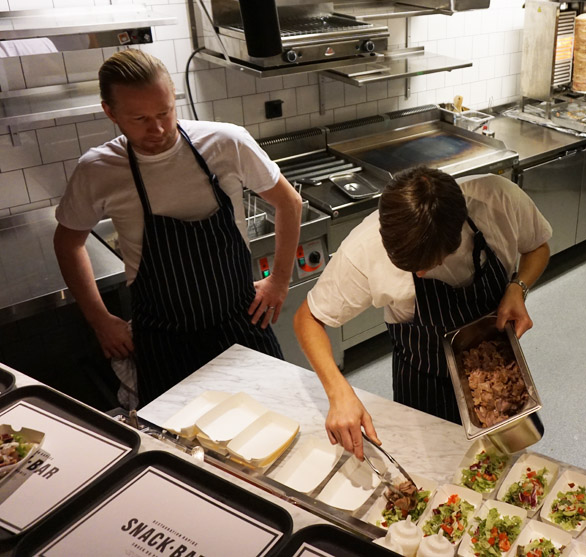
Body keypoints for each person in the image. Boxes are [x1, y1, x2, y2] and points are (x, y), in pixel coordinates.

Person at [54, 49, 302, 406]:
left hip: (240, 322)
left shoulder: (225, 142)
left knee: (277, 415)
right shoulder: (98, 170)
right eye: (139, 118)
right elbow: (68, 243)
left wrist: (279, 279)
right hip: (162, 338)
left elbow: (289, 202)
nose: (156, 129)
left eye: (165, 112)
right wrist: (100, 320)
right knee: (176, 436)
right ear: (110, 112)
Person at [294, 167, 551, 459]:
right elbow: (307, 318)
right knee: (430, 470)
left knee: (506, 466)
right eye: (410, 268)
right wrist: (338, 392)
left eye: (431, 264)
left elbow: (538, 246)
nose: (420, 274)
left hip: (496, 373)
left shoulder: (498, 199)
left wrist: (518, 287)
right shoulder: (364, 248)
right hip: (423, 378)